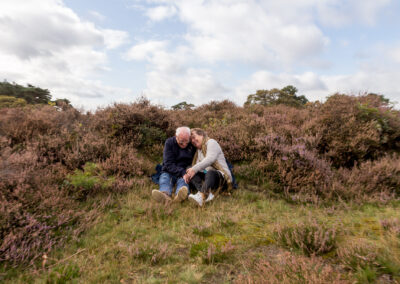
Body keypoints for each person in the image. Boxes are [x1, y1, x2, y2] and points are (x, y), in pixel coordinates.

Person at [185, 128, 233, 207]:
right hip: (208, 177)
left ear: (202, 135)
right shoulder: (198, 151)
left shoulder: (211, 142)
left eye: (194, 137)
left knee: (209, 172)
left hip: (221, 177)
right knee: (190, 169)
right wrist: (191, 172)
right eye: (191, 139)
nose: (192, 141)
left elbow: (210, 159)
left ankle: (202, 195)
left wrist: (195, 169)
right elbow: (201, 169)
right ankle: (207, 193)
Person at [152, 126, 196, 203]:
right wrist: (182, 172)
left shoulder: (192, 144)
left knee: (184, 182)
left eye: (187, 141)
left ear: (189, 137)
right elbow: (168, 163)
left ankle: (180, 196)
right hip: (169, 170)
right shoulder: (169, 143)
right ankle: (165, 195)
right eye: (181, 141)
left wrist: (187, 173)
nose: (184, 144)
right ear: (176, 136)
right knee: (165, 179)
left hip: (185, 171)